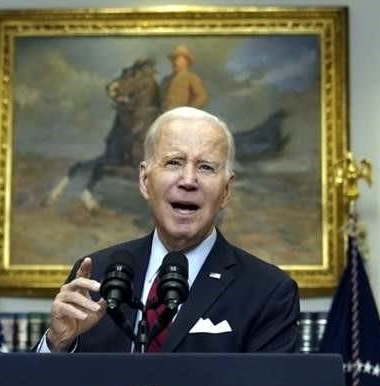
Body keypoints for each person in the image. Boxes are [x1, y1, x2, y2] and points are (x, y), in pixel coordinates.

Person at [44, 106, 299, 353]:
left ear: (226, 191)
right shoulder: (95, 276)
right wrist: (57, 344)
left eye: (206, 167)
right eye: (174, 162)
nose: (188, 180)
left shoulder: (268, 291)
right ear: (145, 181)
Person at [161, 45, 209, 110]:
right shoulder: (166, 79)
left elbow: (202, 97)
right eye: (173, 59)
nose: (175, 62)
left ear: (186, 62)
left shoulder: (191, 78)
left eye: (178, 59)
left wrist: (189, 111)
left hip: (183, 116)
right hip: (166, 115)